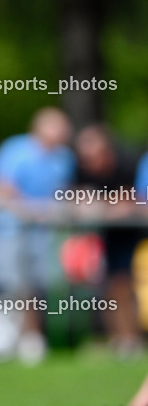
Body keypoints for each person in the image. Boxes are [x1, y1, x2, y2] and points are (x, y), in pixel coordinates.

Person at [0, 107, 75, 363]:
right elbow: (2, 188)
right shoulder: (15, 149)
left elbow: (65, 192)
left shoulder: (65, 158)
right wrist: (31, 211)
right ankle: (21, 338)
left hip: (47, 234)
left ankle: (38, 337)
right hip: (14, 230)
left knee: (41, 285)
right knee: (15, 285)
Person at [73, 124, 144, 356]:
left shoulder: (125, 164)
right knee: (108, 288)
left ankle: (130, 338)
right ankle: (117, 338)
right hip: (99, 235)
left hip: (129, 235)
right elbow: (77, 197)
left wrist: (98, 206)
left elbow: (127, 202)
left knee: (123, 285)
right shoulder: (82, 168)